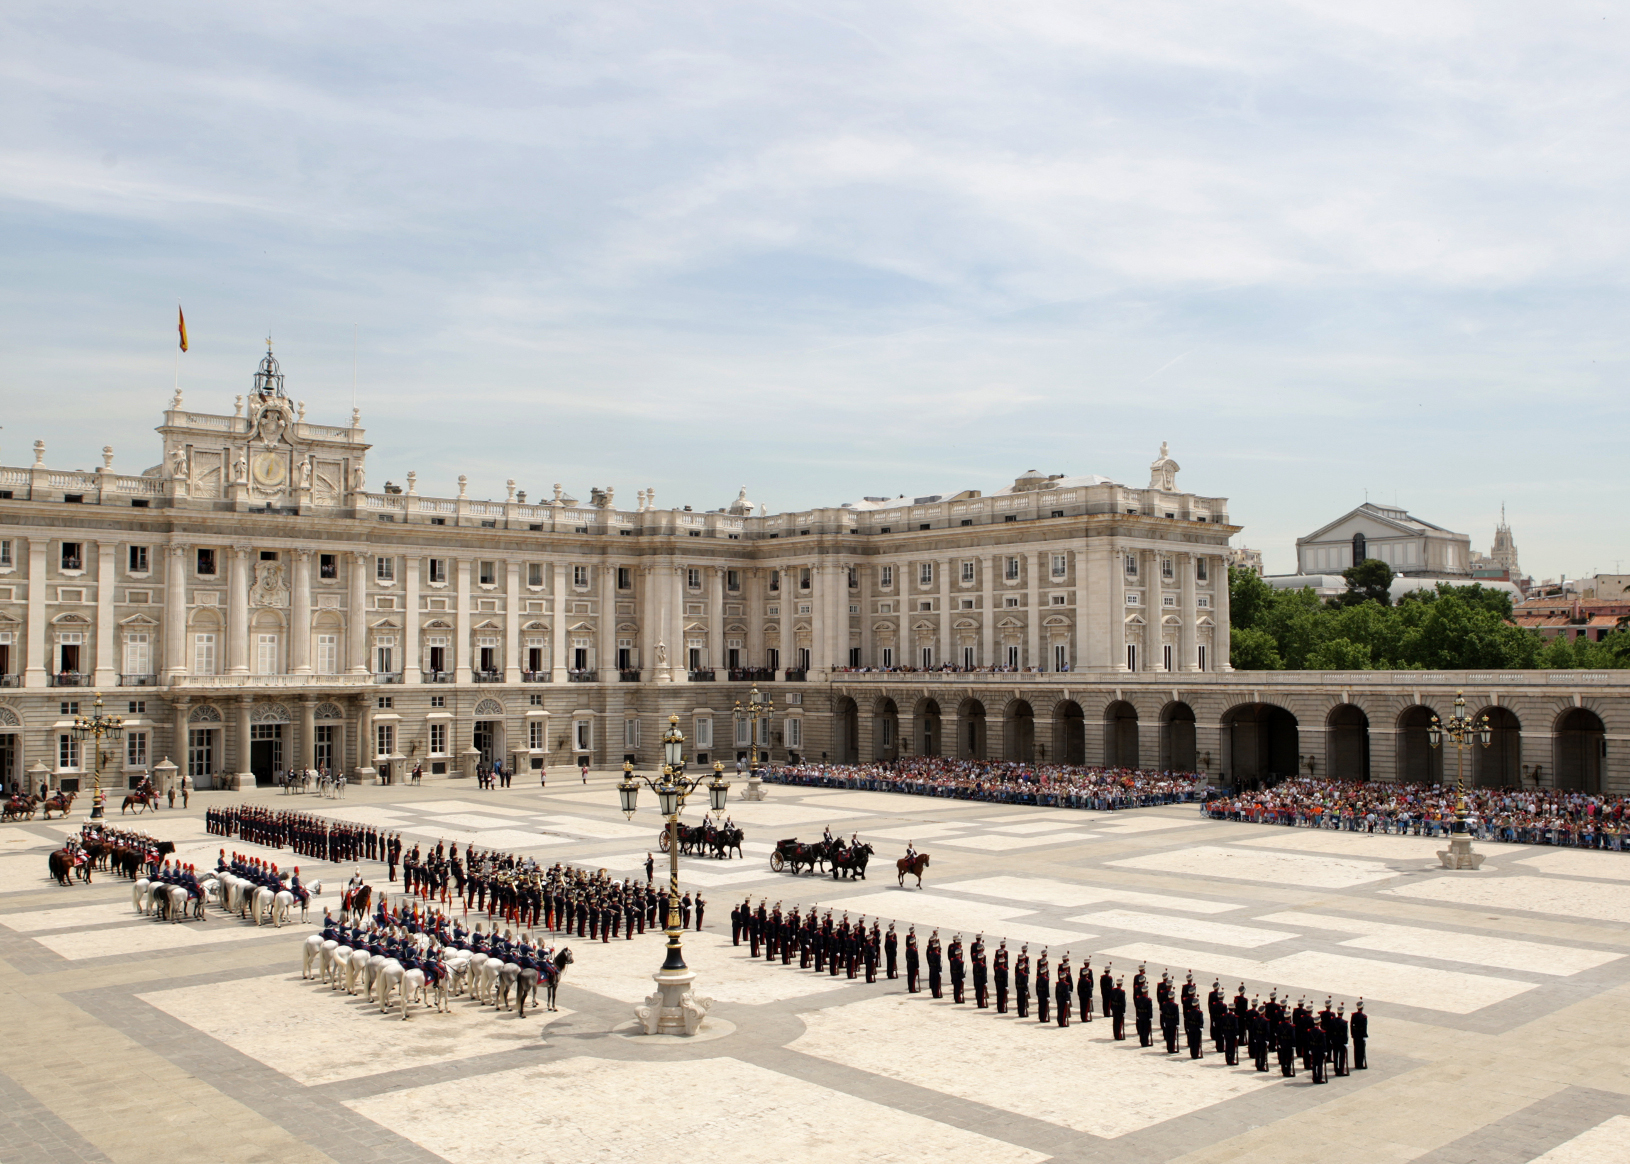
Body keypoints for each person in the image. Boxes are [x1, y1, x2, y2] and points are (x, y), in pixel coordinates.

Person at [1351, 999, 1368, 1070]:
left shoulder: (1354, 1015)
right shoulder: (1363, 1016)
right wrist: (1365, 1035)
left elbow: (1351, 1025)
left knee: (1356, 1050)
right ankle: (1360, 1064)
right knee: (1361, 1050)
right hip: (1361, 1035)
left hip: (1355, 1035)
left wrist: (1352, 1034)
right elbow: (1364, 1027)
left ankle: (1356, 1064)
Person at [994, 939, 1009, 1013]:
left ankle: (999, 1008)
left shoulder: (997, 969)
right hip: (1002, 984)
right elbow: (1005, 979)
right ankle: (1002, 1009)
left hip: (998, 982)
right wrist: (1006, 986)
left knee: (998, 996)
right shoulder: (1004, 970)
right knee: (1002, 997)